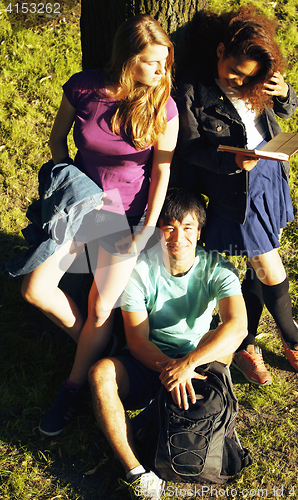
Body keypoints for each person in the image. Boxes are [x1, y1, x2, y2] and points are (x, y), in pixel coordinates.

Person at [19, 14, 179, 436]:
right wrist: (66, 180)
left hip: (124, 217)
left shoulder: (163, 105)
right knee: (34, 290)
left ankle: (72, 385)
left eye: (165, 62)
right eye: (152, 62)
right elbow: (56, 141)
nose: (162, 71)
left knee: (101, 306)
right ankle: (94, 347)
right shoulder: (84, 87)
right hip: (80, 208)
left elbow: (161, 175)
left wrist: (145, 229)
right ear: (128, 60)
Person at [175, 6, 298, 386]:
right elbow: (189, 149)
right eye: (234, 72)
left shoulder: (259, 77)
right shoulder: (191, 89)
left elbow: (284, 110)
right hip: (233, 185)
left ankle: (246, 344)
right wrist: (234, 162)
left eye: (247, 77)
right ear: (220, 51)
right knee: (267, 266)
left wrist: (285, 94)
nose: (238, 81)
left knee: (255, 265)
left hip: (269, 176)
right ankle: (291, 336)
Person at [88, 187, 247, 499]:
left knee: (221, 339)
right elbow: (136, 341)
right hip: (150, 360)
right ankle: (136, 471)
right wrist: (172, 371)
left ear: (199, 232)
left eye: (187, 227)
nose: (178, 236)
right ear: (158, 232)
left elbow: (238, 325)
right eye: (169, 227)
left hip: (198, 361)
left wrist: (188, 365)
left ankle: (214, 425)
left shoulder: (218, 267)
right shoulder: (137, 271)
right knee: (100, 374)